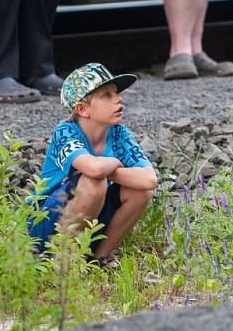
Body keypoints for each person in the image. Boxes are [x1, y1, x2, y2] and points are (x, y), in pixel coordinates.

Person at [29, 63, 157, 264]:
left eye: (116, 93)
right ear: (82, 109)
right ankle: (61, 262)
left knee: (139, 191)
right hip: (43, 224)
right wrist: (115, 162)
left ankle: (98, 260)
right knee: (93, 181)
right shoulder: (65, 132)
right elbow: (94, 169)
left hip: (90, 216)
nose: (118, 99)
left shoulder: (119, 133)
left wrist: (108, 171)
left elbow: (149, 180)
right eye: (106, 95)